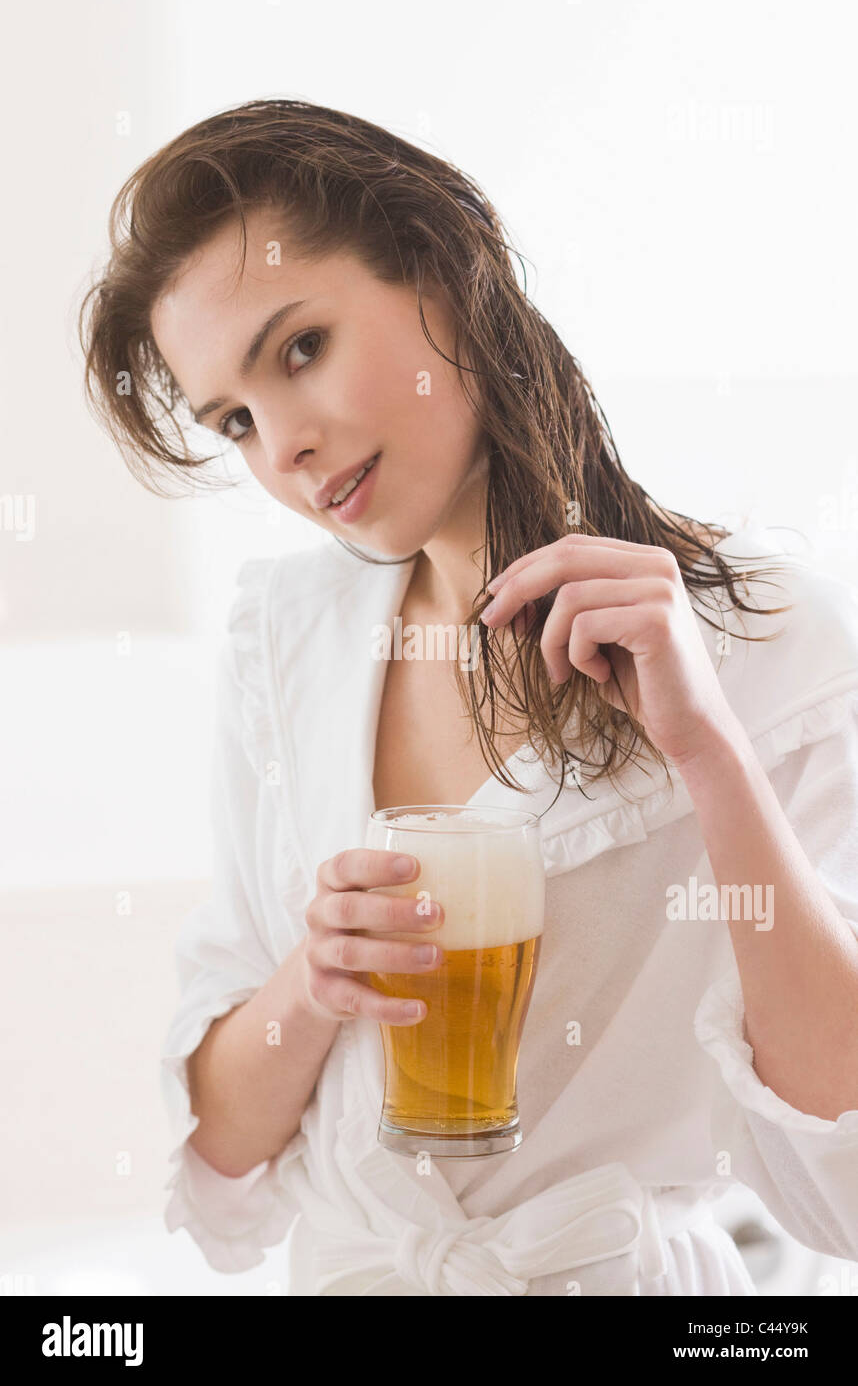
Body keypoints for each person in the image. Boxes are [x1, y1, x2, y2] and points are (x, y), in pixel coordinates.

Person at [78, 98, 858, 1296]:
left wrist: (707, 752)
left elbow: (837, 1165)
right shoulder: (282, 639)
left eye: (300, 348)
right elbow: (228, 1158)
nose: (282, 443)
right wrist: (313, 975)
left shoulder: (759, 632)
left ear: (441, 272)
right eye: (235, 418)